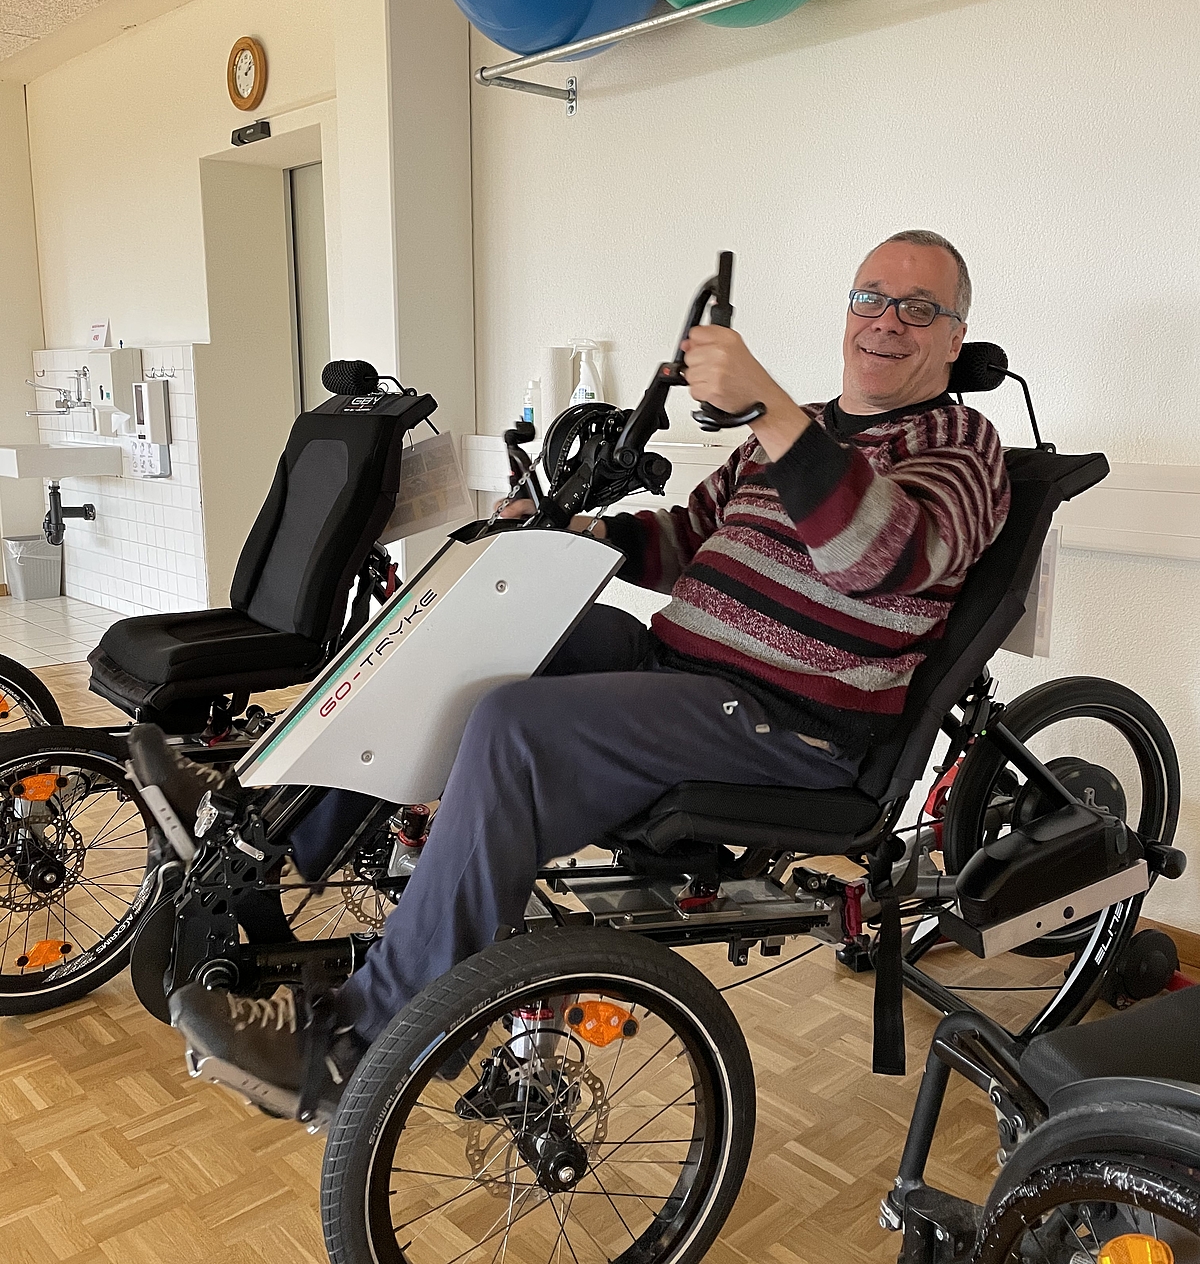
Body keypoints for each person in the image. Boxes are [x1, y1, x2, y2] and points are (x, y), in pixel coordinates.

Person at [138, 228, 1010, 1112]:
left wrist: (771, 410)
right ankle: (268, 825)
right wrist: (587, 537)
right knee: (484, 630)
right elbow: (689, 538)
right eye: (870, 297)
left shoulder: (965, 450)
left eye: (918, 308)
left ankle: (358, 1042)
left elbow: (882, 558)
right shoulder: (802, 432)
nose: (885, 322)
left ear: (954, 335)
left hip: (792, 723)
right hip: (684, 668)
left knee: (516, 732)